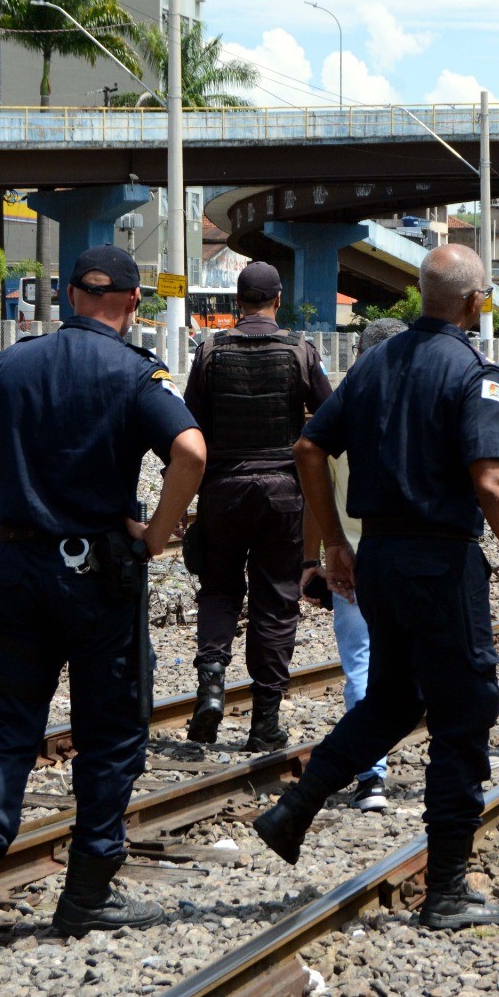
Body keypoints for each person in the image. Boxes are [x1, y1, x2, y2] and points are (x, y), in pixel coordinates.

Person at [253, 243, 499, 931]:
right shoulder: (474, 372)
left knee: (394, 698)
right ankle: (448, 892)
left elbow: (309, 447)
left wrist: (335, 541)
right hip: (440, 563)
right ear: (474, 302)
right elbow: (492, 481)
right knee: (464, 714)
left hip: (381, 562)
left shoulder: (374, 365)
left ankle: (294, 809)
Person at [0, 245, 205, 958]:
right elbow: (193, 453)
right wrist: (157, 537)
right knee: (109, 737)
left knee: (9, 731)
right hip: (100, 575)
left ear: (72, 294)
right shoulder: (139, 373)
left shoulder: (14, 364)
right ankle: (83, 898)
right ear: (133, 302)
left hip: (15, 568)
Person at [182, 261, 332, 752]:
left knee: (219, 591)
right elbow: (330, 421)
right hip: (282, 496)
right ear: (278, 298)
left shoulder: (208, 352)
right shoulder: (300, 352)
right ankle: (264, 719)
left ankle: (210, 687)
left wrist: (184, 499)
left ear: (236, 301)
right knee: (275, 602)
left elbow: (188, 431)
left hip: (222, 492)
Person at [302, 317, 407, 811]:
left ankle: (372, 778)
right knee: (440, 661)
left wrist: (316, 556)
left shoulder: (337, 410)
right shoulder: (424, 398)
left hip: (354, 558)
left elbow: (313, 485)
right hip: (418, 555)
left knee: (362, 664)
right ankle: (463, 766)